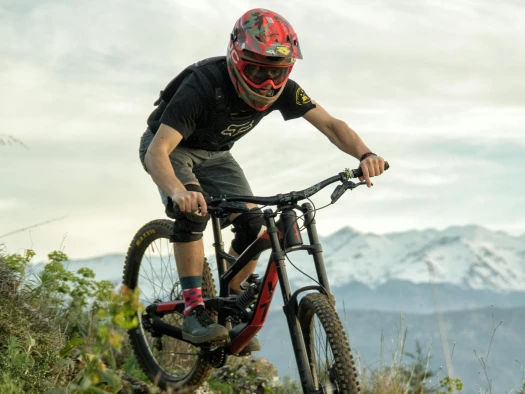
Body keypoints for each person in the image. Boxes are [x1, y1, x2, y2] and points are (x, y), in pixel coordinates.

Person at [138, 8, 386, 352]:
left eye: (277, 72)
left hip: (217, 155)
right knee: (194, 213)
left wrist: (364, 154)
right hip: (172, 150)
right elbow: (157, 153)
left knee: (253, 222)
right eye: (256, 70)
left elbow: (330, 125)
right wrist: (179, 192)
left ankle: (233, 300)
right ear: (237, 59)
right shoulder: (203, 87)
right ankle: (194, 310)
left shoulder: (284, 90)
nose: (268, 82)